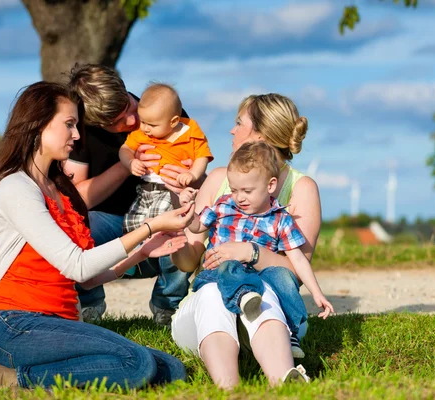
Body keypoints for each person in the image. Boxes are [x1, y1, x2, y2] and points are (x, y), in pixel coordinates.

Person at [0, 81, 194, 391]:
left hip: (61, 323)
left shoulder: (61, 192)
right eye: (69, 124)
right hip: (15, 324)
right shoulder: (15, 187)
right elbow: (78, 266)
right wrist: (149, 226)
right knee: (137, 364)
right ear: (38, 125)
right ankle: (10, 379)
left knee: (172, 369)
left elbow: (86, 281)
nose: (77, 135)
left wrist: (141, 253)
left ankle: (44, 375)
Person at [170, 93, 322, 389]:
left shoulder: (301, 188)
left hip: (271, 315)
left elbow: (295, 272)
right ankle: (230, 388)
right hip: (206, 311)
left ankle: (284, 378)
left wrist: (251, 252)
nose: (231, 130)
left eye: (239, 122)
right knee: (214, 291)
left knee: (260, 288)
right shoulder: (217, 181)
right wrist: (178, 241)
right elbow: (189, 261)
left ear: (261, 136)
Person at [66, 65, 197, 325]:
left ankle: (168, 307)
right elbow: (76, 200)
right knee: (73, 222)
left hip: (162, 212)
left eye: (128, 106)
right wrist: (127, 165)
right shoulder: (80, 133)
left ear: (125, 89)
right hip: (111, 222)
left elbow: (201, 177)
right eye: (115, 122)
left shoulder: (164, 109)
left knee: (184, 224)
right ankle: (89, 305)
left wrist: (186, 178)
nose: (131, 121)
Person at [180, 141, 333, 334]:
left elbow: (298, 260)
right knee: (230, 265)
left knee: (283, 275)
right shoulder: (224, 206)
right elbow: (197, 225)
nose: (239, 197)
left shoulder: (281, 219)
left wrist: (317, 293)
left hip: (260, 277)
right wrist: (188, 211)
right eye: (234, 190)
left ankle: (292, 328)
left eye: (247, 191)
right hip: (219, 275)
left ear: (270, 185)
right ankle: (244, 297)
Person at [119, 82, 213, 234]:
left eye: (152, 125)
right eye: (143, 122)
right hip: (145, 190)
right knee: (131, 226)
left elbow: (202, 156)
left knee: (160, 225)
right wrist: (130, 162)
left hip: (171, 190)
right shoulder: (143, 134)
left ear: (174, 121)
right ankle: (141, 254)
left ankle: (164, 250)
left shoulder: (190, 132)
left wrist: (192, 174)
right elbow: (125, 149)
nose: (145, 128)